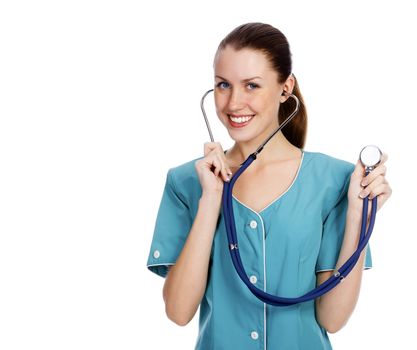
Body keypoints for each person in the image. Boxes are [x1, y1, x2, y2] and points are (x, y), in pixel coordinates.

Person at [146, 22, 392, 350]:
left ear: (285, 88)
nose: (234, 103)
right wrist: (211, 201)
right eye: (223, 85)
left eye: (251, 86)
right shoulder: (186, 182)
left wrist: (359, 216)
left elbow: (332, 319)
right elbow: (178, 312)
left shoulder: (335, 182)